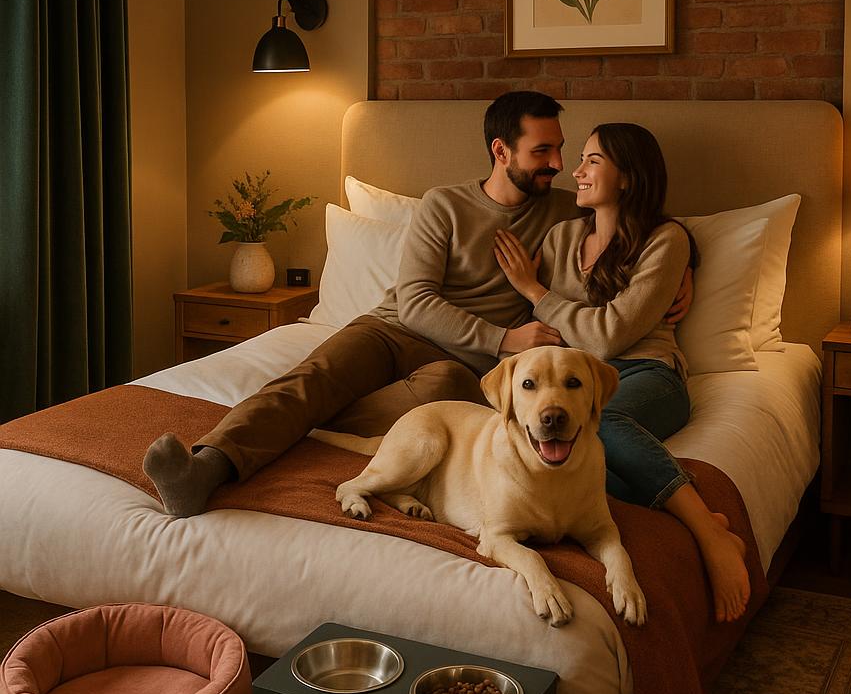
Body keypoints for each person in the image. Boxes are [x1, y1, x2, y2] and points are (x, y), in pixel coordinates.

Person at [143, 92, 693, 517]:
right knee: (315, 376)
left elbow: (637, 225)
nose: (558, 163)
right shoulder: (444, 205)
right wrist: (505, 339)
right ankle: (204, 469)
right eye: (542, 151)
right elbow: (416, 302)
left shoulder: (564, 212)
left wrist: (687, 267)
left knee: (444, 397)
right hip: (395, 331)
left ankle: (301, 428)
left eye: (562, 150)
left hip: (463, 367)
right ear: (501, 152)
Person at [493, 123, 750, 623]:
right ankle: (679, 495)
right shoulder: (562, 235)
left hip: (648, 373)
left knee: (598, 423)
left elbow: (611, 334)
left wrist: (535, 291)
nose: (576, 170)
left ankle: (709, 533)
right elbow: (546, 331)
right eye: (581, 159)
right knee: (574, 464)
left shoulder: (667, 240)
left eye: (592, 161)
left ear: (628, 176)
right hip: (573, 380)